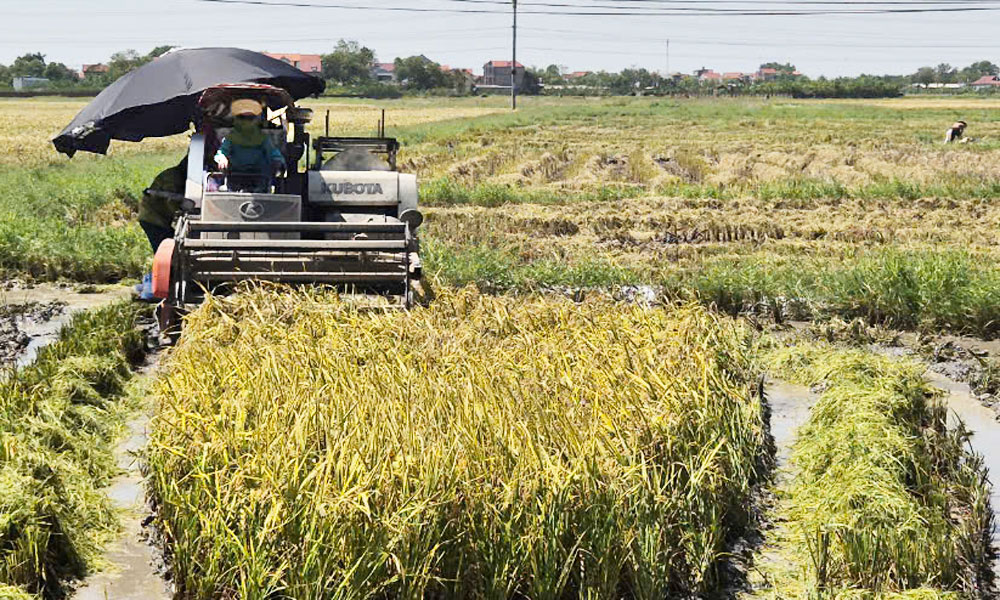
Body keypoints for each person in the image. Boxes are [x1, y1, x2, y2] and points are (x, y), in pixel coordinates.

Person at [134, 157, 187, 301]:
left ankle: (155, 282)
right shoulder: (174, 177)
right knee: (164, 251)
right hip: (153, 218)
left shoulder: (176, 174)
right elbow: (171, 201)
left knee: (169, 247)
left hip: (157, 217)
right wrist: (184, 211)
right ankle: (156, 289)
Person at [214, 99, 284, 188]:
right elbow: (222, 152)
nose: (246, 122)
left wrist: (278, 161)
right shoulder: (231, 138)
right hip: (235, 175)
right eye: (242, 118)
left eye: (250, 118)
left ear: (256, 120)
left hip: (259, 177)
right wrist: (222, 158)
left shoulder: (263, 139)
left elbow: (274, 153)